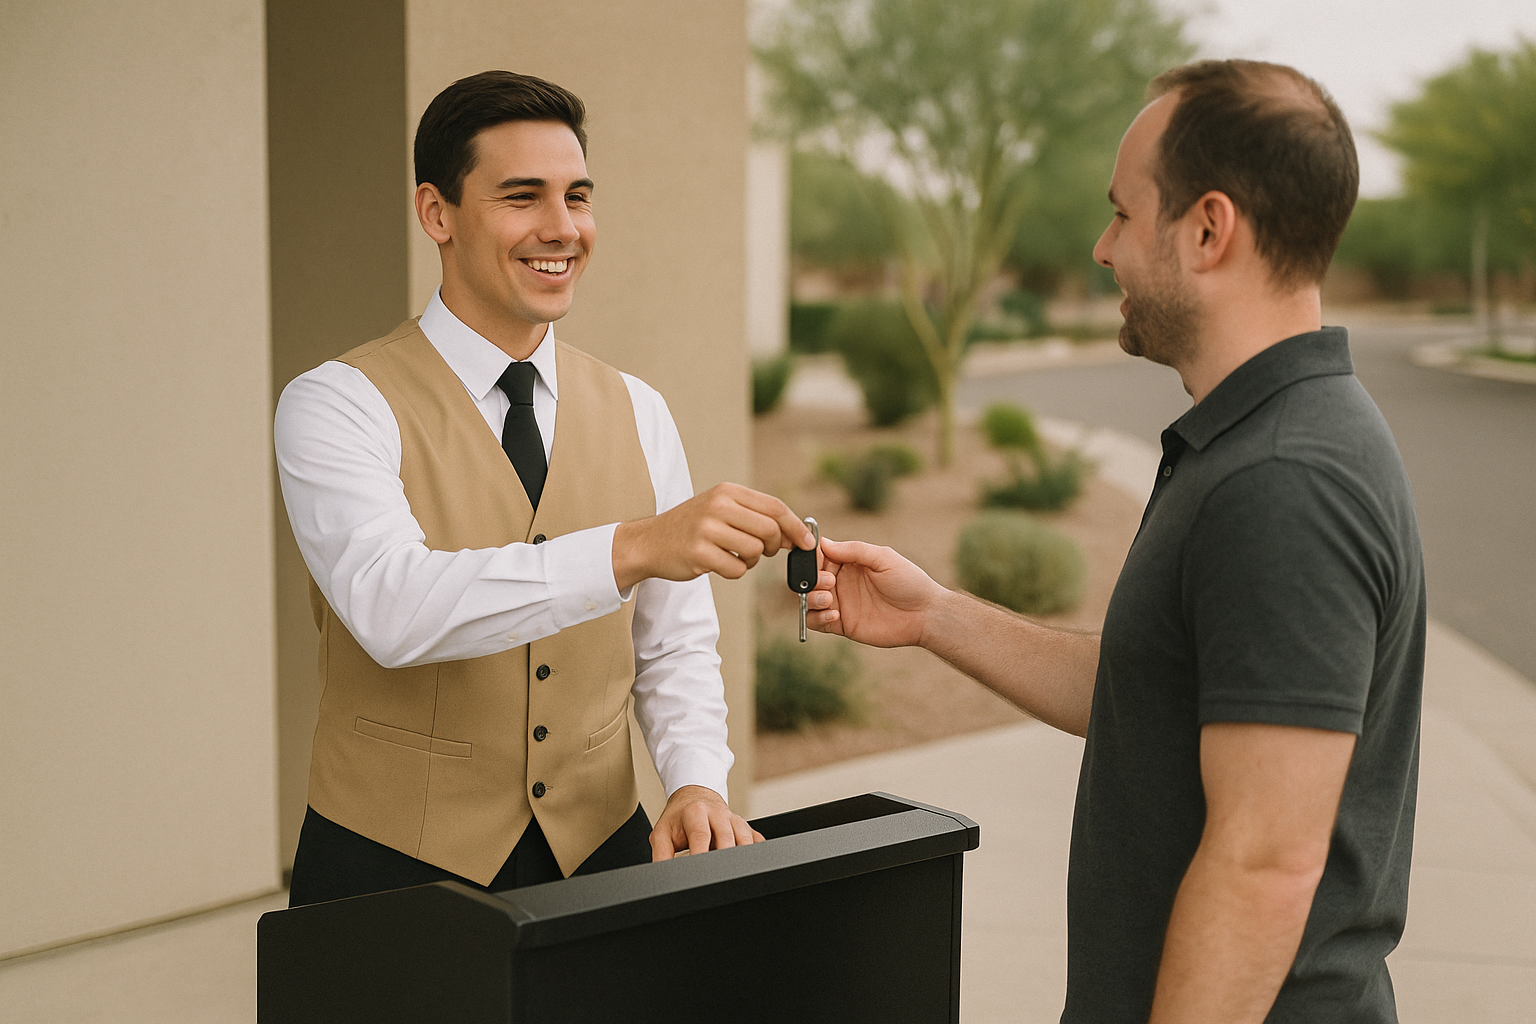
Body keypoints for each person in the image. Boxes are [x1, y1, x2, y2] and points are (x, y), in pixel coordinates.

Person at [808, 60, 1424, 1023]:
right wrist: (933, 616)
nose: (1102, 250)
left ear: (1209, 229)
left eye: (1124, 215)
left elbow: (1265, 859)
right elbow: (1157, 695)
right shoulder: (1255, 442)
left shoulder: (1283, 480)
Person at [276, 70, 813, 906]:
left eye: (578, 197)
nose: (562, 229)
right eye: (522, 197)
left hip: (601, 849)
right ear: (437, 214)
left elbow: (673, 644)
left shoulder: (639, 409)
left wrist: (698, 781)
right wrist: (633, 545)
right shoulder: (337, 402)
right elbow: (390, 607)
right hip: (389, 868)